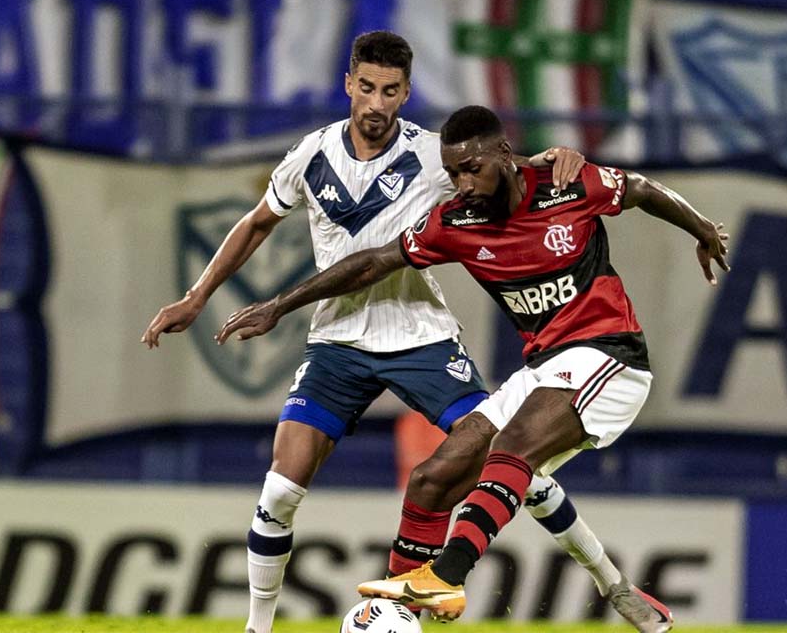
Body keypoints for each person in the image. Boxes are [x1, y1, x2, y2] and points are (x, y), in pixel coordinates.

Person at [143, 32, 640, 633]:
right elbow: (255, 224)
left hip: (422, 339)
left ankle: (612, 584)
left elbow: (519, 169)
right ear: (348, 84)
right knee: (279, 490)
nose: (377, 103)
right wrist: (197, 298)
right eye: (368, 87)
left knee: (509, 459)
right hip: (337, 344)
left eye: (391, 91)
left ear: (405, 93)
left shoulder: (437, 155)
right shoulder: (310, 155)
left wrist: (564, 157)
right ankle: (258, 629)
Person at [215, 104, 731, 630]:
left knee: (510, 452)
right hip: (543, 367)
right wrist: (279, 305)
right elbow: (372, 261)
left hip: (609, 356)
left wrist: (702, 229)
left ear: (504, 155)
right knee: (432, 479)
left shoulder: (566, 185)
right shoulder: (456, 222)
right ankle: (399, 612)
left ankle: (449, 574)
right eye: (453, 172)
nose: (462, 183)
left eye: (471, 168)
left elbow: (640, 189)